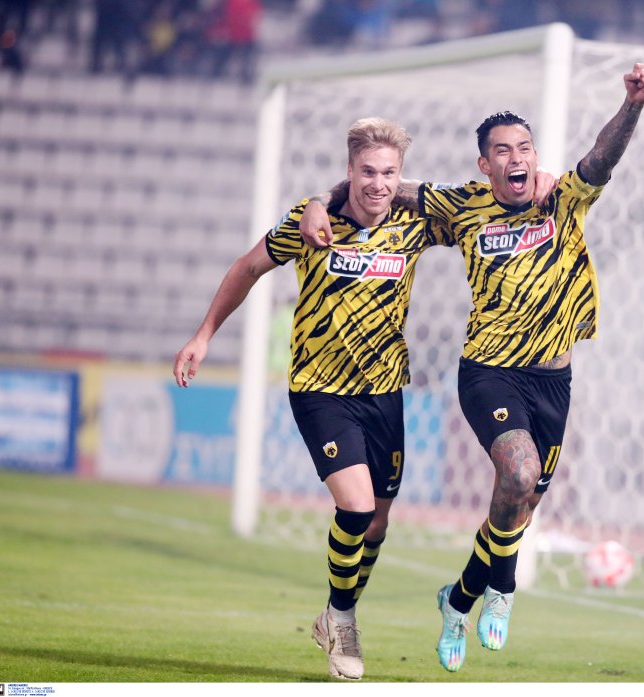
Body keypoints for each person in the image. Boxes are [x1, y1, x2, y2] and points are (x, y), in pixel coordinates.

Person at [298, 63, 644, 672]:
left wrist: (634, 105)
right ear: (484, 166)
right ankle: (502, 591)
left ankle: (458, 600)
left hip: (553, 379)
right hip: (488, 369)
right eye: (503, 151)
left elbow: (603, 157)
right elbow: (380, 188)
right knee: (518, 472)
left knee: (519, 504)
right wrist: (317, 201)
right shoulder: (462, 204)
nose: (517, 158)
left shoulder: (562, 199)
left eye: (525, 148)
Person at [172, 117, 445, 681]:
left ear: (400, 174)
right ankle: (342, 619)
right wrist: (203, 335)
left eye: (388, 172)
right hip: (321, 390)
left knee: (377, 525)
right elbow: (248, 266)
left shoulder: (414, 222)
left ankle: (335, 612)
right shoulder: (311, 222)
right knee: (357, 508)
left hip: (385, 390)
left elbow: (475, 209)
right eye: (367, 171)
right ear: (350, 171)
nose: (378, 183)